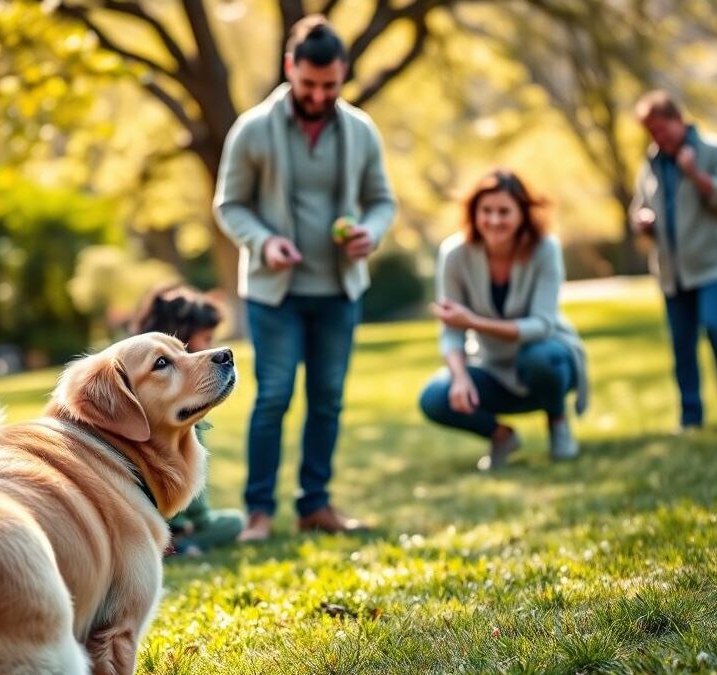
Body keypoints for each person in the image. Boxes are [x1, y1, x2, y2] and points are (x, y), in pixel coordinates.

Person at [213, 15, 396, 541]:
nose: (318, 95)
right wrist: (265, 241)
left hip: (339, 289)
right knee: (273, 395)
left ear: (343, 76)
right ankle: (259, 512)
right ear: (291, 67)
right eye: (309, 83)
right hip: (276, 293)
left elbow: (383, 201)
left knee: (328, 396)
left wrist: (371, 232)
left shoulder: (361, 130)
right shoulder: (252, 128)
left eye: (330, 85)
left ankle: (315, 504)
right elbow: (230, 204)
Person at [419, 170, 589, 470]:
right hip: (491, 367)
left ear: (523, 214)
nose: (494, 220)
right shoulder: (455, 254)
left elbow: (542, 326)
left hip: (549, 362)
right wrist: (459, 377)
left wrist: (473, 322)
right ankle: (501, 437)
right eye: (486, 211)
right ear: (474, 212)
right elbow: (451, 331)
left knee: (540, 357)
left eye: (504, 211)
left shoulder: (545, 249)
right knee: (434, 397)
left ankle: (558, 422)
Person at [630, 90, 717, 431]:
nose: (657, 138)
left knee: (715, 327)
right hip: (672, 270)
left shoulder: (713, 151)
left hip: (712, 263)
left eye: (661, 129)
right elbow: (639, 205)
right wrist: (642, 220)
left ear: (678, 120)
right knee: (682, 345)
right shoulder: (650, 163)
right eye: (651, 132)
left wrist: (695, 174)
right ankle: (691, 417)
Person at [132, 284, 244, 555]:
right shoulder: (183, 414)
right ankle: (176, 546)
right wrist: (197, 522)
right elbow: (196, 507)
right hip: (170, 525)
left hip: (139, 522)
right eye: (205, 339)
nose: (211, 348)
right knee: (236, 523)